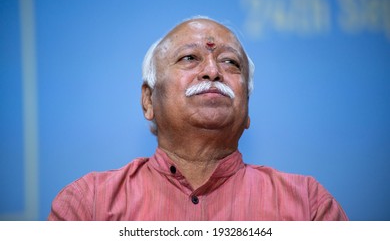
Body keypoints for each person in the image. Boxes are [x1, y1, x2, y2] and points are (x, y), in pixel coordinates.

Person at [48, 17, 348, 221]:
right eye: (189, 58)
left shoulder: (307, 205)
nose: (212, 71)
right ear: (148, 100)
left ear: (247, 110)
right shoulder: (90, 205)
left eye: (230, 62)